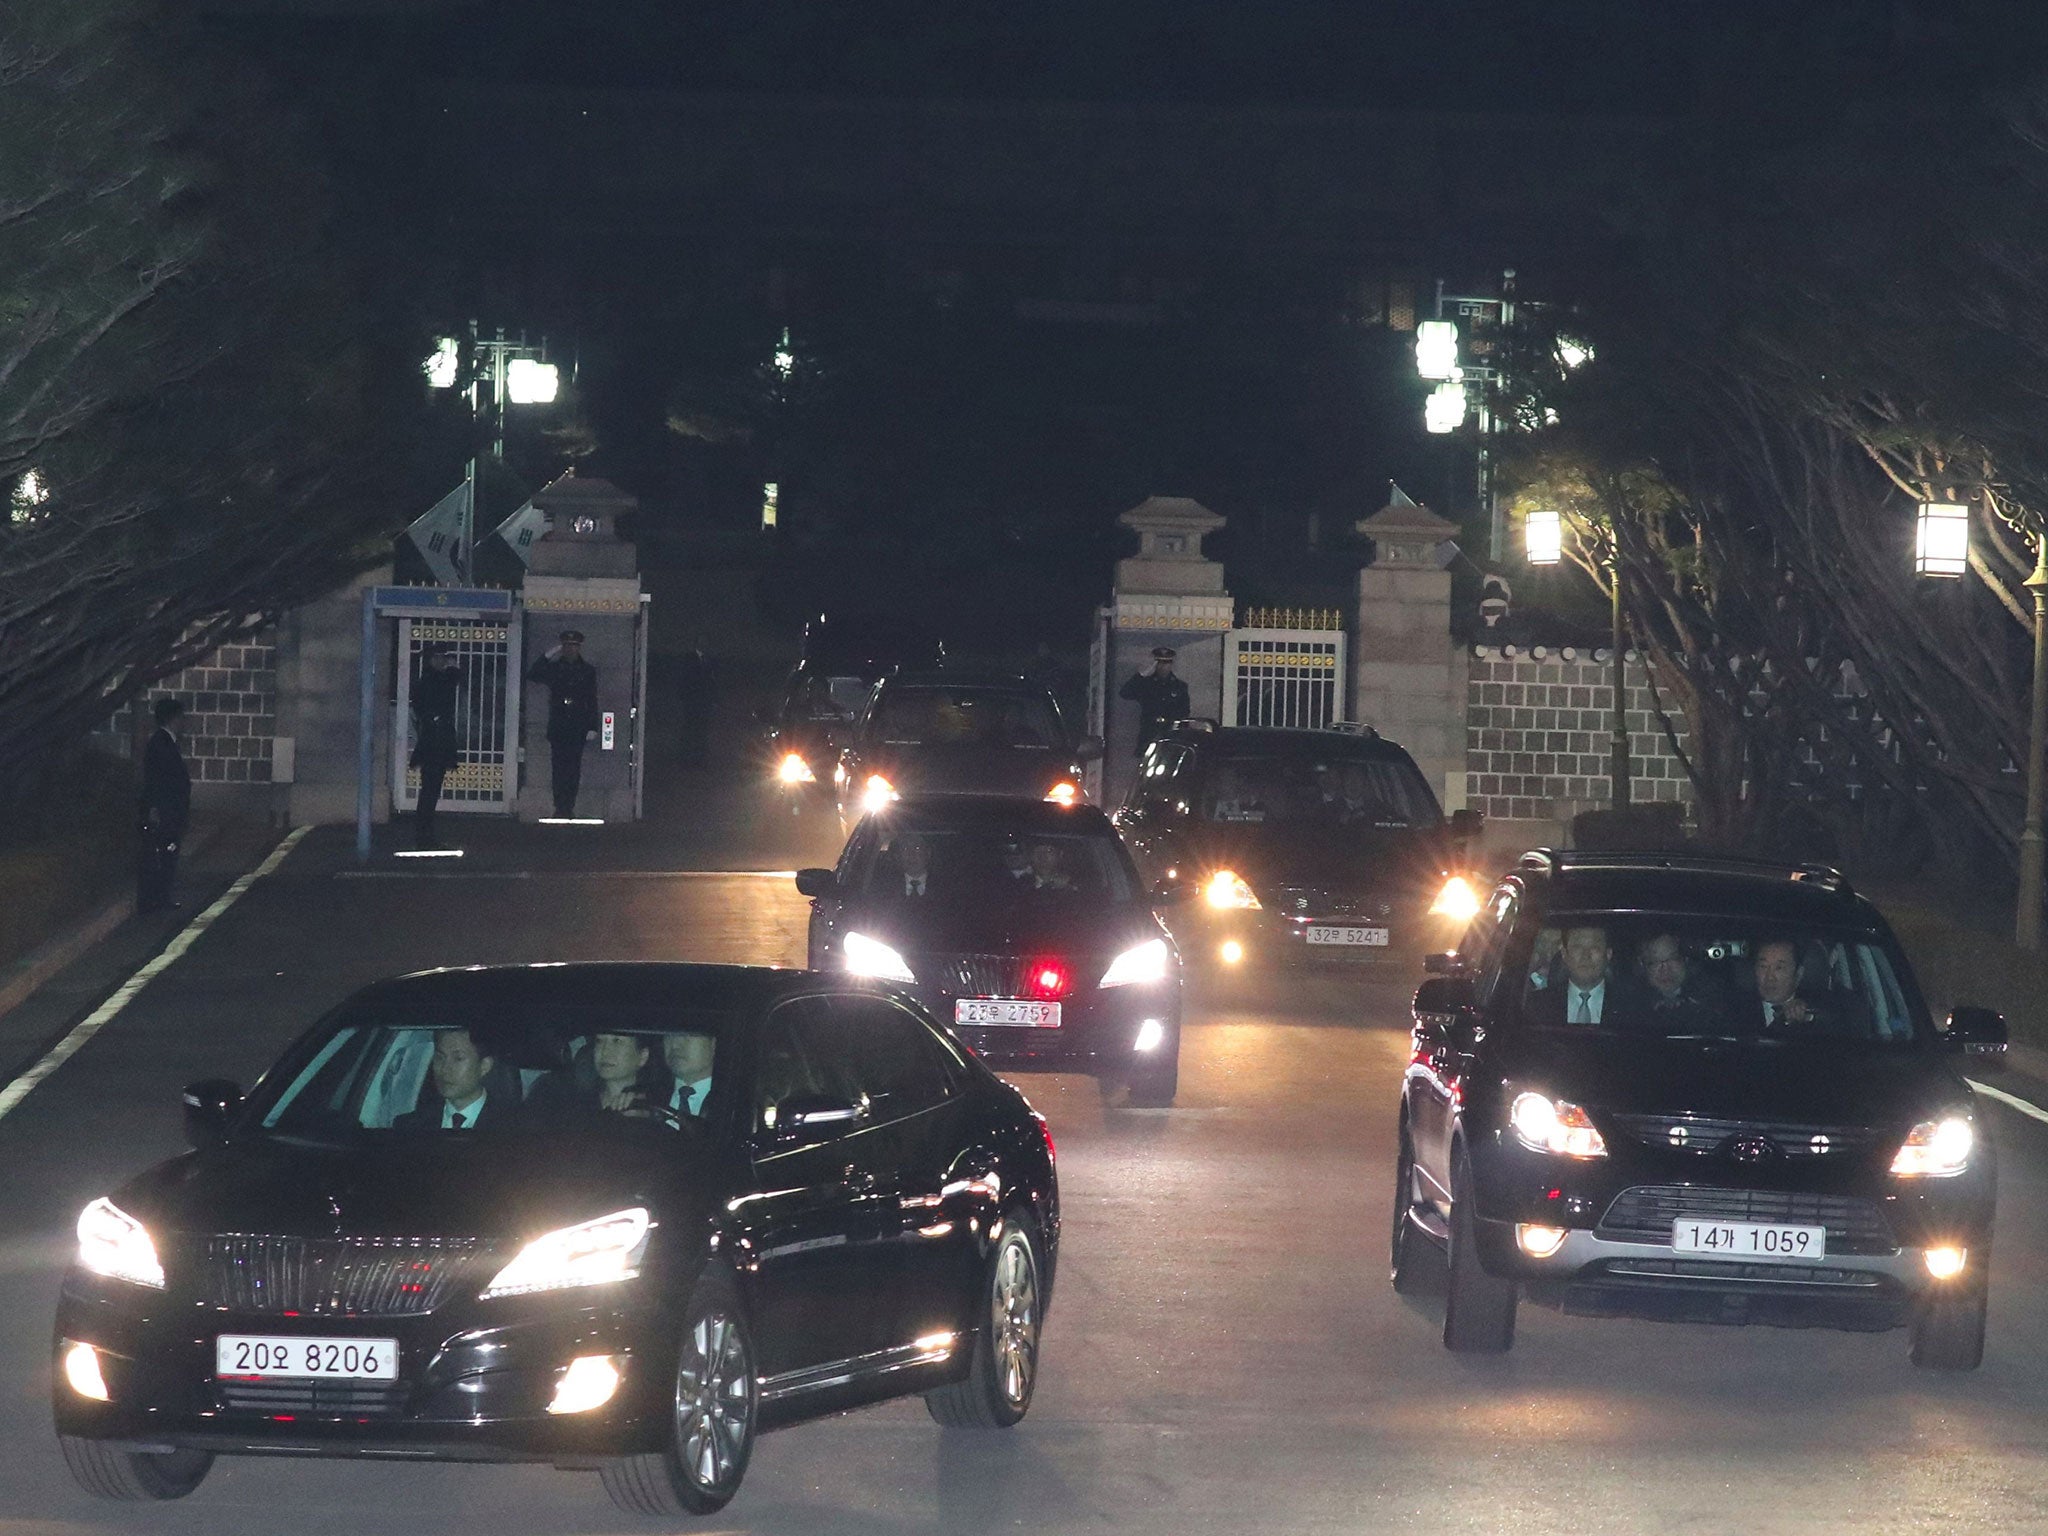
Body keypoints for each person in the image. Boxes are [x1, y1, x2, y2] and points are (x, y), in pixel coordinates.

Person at [526, 629, 599, 817]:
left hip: (578, 725)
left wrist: (592, 726)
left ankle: (569, 807)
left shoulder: (588, 670)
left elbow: (592, 700)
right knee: (558, 769)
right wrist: (549, 654)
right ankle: (559, 807)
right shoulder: (555, 668)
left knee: (573, 769)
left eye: (573, 646)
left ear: (579, 648)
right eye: (567, 646)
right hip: (559, 725)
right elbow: (533, 674)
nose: (570, 650)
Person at [137, 697, 192, 913]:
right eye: (181, 717)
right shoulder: (162, 744)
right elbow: (158, 780)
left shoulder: (162, 742)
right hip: (165, 812)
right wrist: (156, 809)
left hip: (168, 811)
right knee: (164, 854)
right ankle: (157, 900)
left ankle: (160, 899)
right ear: (173, 718)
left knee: (165, 854)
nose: (184, 722)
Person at [395, 1028, 506, 1130]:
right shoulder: (409, 1126)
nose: (445, 1069)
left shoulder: (511, 1126)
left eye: (458, 1059)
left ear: (484, 1066)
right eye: (440, 1057)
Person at [411, 644, 462, 849]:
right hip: (434, 742)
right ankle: (424, 837)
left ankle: (425, 835)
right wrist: (453, 667)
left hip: (436, 741)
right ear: (431, 660)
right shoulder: (432, 679)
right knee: (429, 792)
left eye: (444, 658)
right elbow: (453, 680)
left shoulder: (431, 678)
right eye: (439, 658)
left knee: (430, 791)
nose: (443, 661)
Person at [1527, 925, 1622, 1025]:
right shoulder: (1536, 1005)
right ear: (1564, 954)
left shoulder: (1630, 1006)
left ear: (1608, 954)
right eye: (1578, 947)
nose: (1586, 956)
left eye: (1594, 947)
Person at [1635, 932, 1725, 1030]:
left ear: (1685, 960)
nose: (1665, 969)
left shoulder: (1712, 998)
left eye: (1673, 959)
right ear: (1642, 966)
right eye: (1653, 962)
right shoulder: (1632, 1006)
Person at [1119, 646, 1191, 757]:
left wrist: (1181, 738)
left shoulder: (1179, 687)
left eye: (1166, 663)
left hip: (1170, 737)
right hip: (1149, 734)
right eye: (1160, 663)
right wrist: (1140, 675)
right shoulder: (1146, 684)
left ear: (1171, 664)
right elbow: (1125, 693)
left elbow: (1184, 714)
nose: (1163, 667)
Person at [1751, 938, 1833, 1032]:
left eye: (1779, 968)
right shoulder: (1738, 1008)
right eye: (1763, 966)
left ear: (1798, 973)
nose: (1769, 977)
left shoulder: (1818, 1006)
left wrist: (1807, 1016)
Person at [591, 1031, 653, 1114]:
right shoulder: (577, 1105)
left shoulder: (658, 1105)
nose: (604, 1052)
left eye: (617, 1041)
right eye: (599, 1041)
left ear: (642, 1056)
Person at [676, 639, 715, 768]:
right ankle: (688, 759)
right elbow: (687, 681)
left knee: (701, 731)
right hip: (693, 702)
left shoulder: (707, 660)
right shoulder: (690, 660)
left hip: (702, 702)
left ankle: (699, 759)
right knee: (691, 730)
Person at [662, 1031, 716, 1118]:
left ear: (713, 1044)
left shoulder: (735, 1102)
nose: (674, 1045)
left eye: (688, 1034)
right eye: (669, 1035)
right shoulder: (647, 1098)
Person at [896, 833, 933, 897]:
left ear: (928, 853)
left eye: (917, 848)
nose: (911, 854)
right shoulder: (885, 886)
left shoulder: (944, 887)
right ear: (899, 855)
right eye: (906, 848)